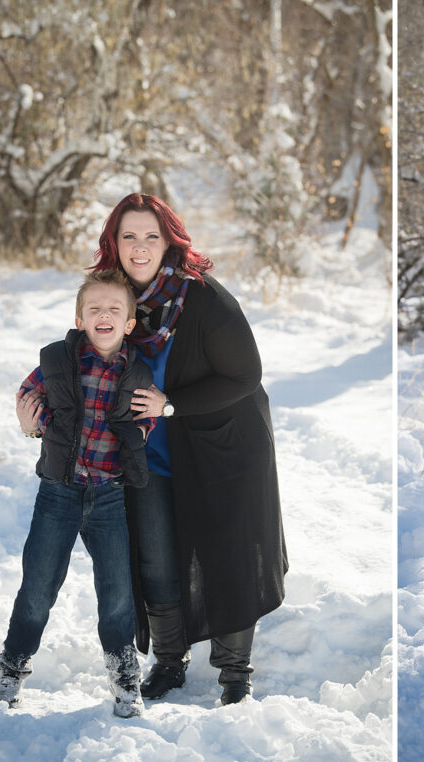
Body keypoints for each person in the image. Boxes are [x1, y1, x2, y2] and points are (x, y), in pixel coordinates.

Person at [92, 193, 287, 705]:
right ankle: (169, 662)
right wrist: (38, 403)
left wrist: (171, 403)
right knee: (156, 558)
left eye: (151, 236)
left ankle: (234, 674)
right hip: (149, 453)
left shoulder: (201, 298)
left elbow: (247, 375)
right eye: (128, 235)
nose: (139, 247)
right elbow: (84, 358)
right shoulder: (113, 296)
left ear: (169, 241)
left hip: (224, 447)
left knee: (226, 555)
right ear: (114, 242)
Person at [0, 269, 155, 718]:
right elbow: (28, 392)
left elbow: (147, 417)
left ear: (128, 323)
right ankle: (13, 667)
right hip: (59, 492)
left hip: (109, 495)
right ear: (80, 318)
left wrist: (143, 428)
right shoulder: (59, 360)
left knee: (117, 592)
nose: (104, 315)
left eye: (114, 309)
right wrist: (38, 423)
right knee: (38, 585)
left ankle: (125, 680)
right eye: (94, 308)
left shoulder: (138, 371)